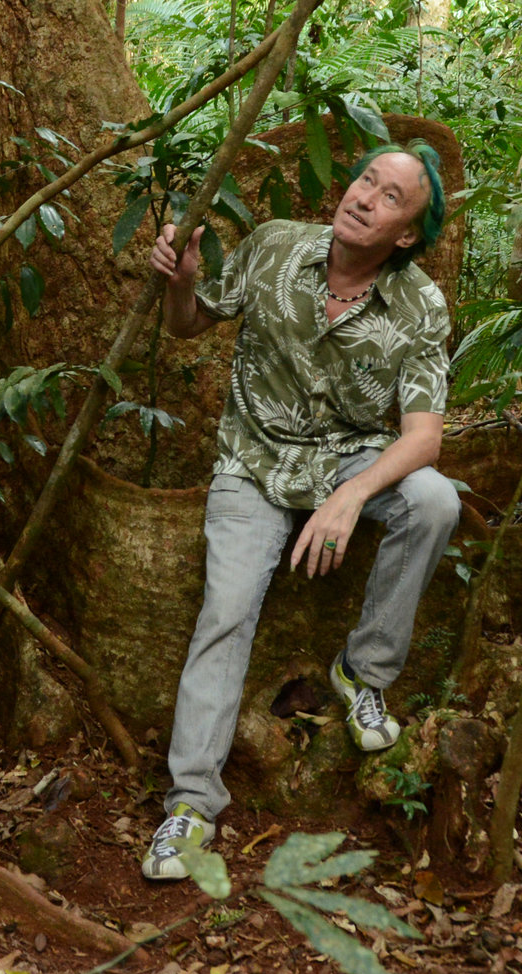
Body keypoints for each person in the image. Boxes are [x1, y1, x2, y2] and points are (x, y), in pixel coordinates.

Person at [140, 143, 461, 881]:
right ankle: (191, 806)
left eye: (389, 197)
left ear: (406, 235)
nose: (364, 197)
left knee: (435, 501)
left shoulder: (420, 306)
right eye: (366, 180)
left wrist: (352, 494)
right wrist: (180, 283)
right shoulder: (275, 245)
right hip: (253, 461)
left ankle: (362, 672)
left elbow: (424, 438)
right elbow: (187, 325)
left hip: (350, 457)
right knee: (225, 611)